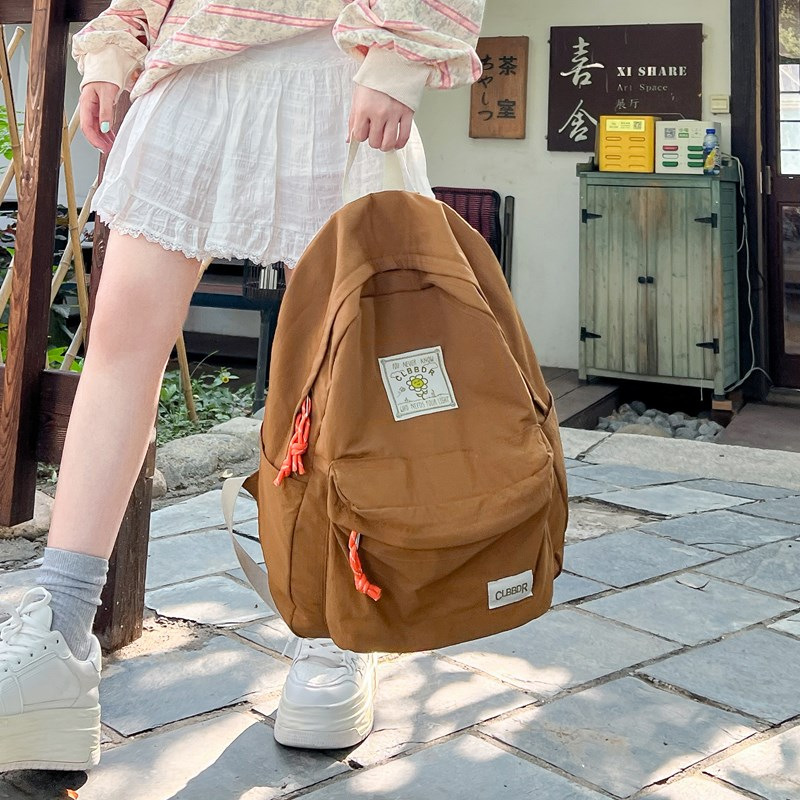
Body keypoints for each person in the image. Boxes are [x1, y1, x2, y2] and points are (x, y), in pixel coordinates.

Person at [0, 0, 485, 772]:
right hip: (189, 68)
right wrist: (115, 52)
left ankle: (335, 626)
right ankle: (57, 632)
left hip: (336, 62)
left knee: (341, 364)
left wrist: (398, 60)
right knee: (119, 349)